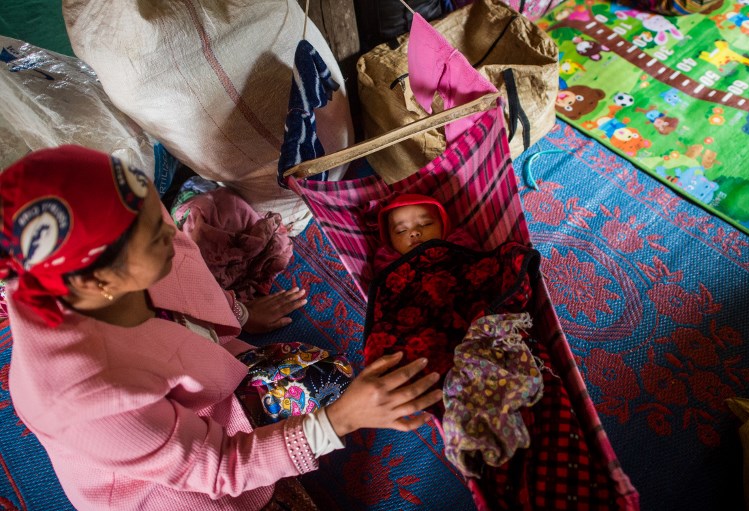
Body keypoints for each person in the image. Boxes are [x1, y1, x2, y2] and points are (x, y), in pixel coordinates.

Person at [0, 145, 443, 510]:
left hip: (199, 386)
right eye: (155, 235)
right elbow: (216, 466)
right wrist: (340, 421)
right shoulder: (89, 399)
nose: (173, 234)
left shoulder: (93, 267)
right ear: (102, 282)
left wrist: (242, 315)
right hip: (176, 487)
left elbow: (184, 291)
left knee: (328, 378)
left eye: (159, 215)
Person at [373, 193, 480, 272]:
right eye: (401, 231)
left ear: (443, 227)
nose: (414, 232)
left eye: (426, 224)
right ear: (390, 241)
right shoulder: (387, 262)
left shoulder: (458, 242)